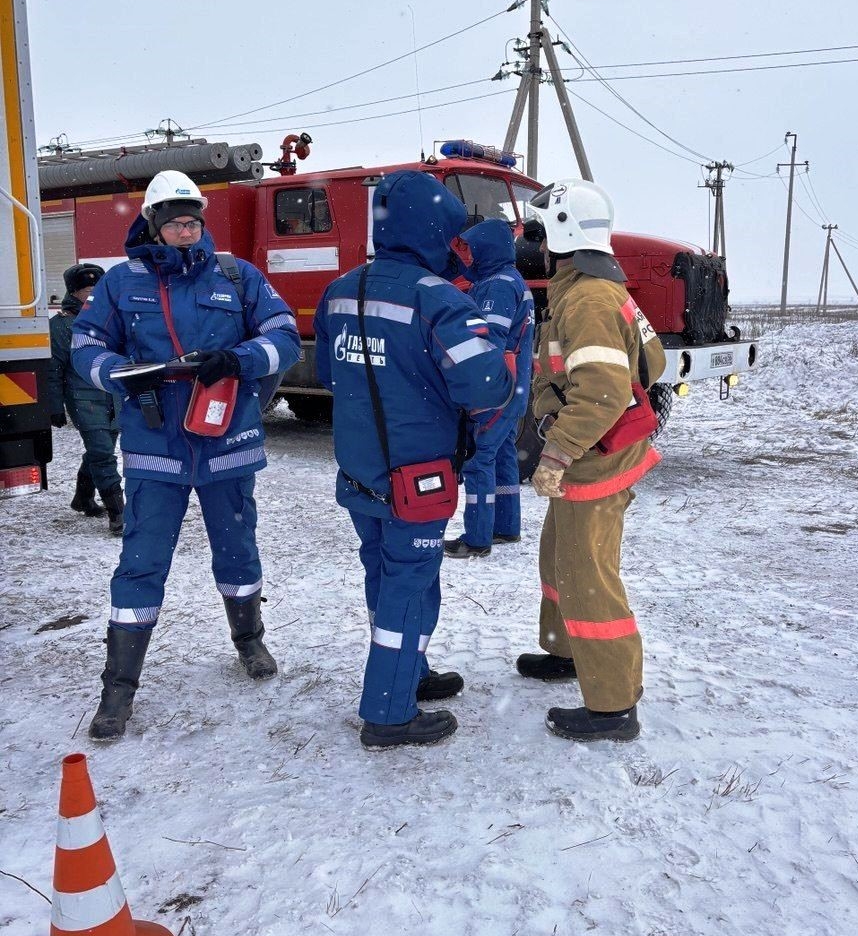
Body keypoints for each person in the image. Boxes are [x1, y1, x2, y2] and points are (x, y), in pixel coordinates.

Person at [71, 169, 301, 740]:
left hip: (226, 445)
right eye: (174, 219)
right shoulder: (122, 284)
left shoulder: (236, 275)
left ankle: (249, 641)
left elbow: (285, 335)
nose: (185, 227)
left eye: (193, 218)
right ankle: (118, 690)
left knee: (238, 553)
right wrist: (118, 376)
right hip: (156, 451)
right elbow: (86, 345)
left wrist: (241, 359)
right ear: (152, 223)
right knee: (142, 564)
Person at [314, 170, 515, 750]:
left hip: (361, 472)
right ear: (432, 231)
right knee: (409, 583)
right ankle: (388, 710)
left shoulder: (341, 290)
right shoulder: (440, 300)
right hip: (417, 477)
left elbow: (330, 373)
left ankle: (410, 671)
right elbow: (483, 385)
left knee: (386, 573)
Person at [516, 179, 666, 743]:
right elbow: (648, 360)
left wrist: (558, 451)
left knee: (588, 579)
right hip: (596, 454)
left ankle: (612, 705)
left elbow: (603, 389)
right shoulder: (595, 289)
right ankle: (566, 653)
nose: (533, 244)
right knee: (559, 561)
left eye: (539, 232)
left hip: (590, 461)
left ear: (563, 233)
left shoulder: (587, 299)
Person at [443, 218, 535, 557]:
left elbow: (489, 343)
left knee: (478, 458)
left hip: (496, 391)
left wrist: (476, 387)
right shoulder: (512, 280)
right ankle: (507, 527)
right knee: (502, 455)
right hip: (516, 389)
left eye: (472, 249)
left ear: (488, 248)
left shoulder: (497, 286)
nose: (468, 256)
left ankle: (477, 538)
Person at [48, 263, 124, 533]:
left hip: (113, 396)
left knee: (100, 449)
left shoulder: (111, 318)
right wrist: (54, 406)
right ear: (73, 291)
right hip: (83, 398)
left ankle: (83, 498)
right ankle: (118, 513)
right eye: (86, 289)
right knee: (102, 451)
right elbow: (54, 369)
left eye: (96, 288)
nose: (92, 293)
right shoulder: (62, 325)